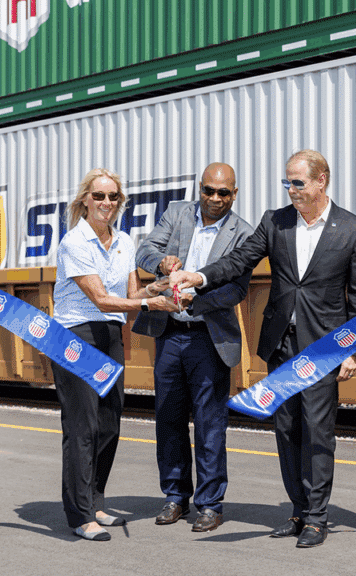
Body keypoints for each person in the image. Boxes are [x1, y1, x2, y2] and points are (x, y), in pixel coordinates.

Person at [170, 149, 356, 548]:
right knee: (286, 429)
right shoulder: (275, 222)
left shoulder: (353, 229)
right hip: (281, 343)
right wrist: (199, 275)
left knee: (317, 431)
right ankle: (298, 511)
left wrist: (354, 351)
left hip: (324, 347)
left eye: (298, 183)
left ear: (321, 181)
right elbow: (239, 260)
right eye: (287, 182)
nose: (291, 190)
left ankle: (317, 517)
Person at [51, 168, 179, 541]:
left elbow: (130, 296)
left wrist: (159, 287)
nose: (106, 203)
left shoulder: (124, 241)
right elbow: (102, 299)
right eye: (99, 196)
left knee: (108, 423)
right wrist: (152, 304)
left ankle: (95, 500)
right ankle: (79, 515)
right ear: (84, 201)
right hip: (76, 337)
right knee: (82, 427)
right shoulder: (75, 242)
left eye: (113, 197)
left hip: (109, 335)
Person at [133, 162, 254, 532]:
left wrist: (196, 302)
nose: (215, 199)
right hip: (169, 334)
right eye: (208, 190)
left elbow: (237, 288)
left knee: (209, 424)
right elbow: (144, 252)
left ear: (234, 194)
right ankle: (174, 497)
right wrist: (162, 261)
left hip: (208, 336)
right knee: (168, 418)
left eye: (223, 193)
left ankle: (210, 503)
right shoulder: (176, 213)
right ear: (199, 189)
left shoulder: (244, 234)